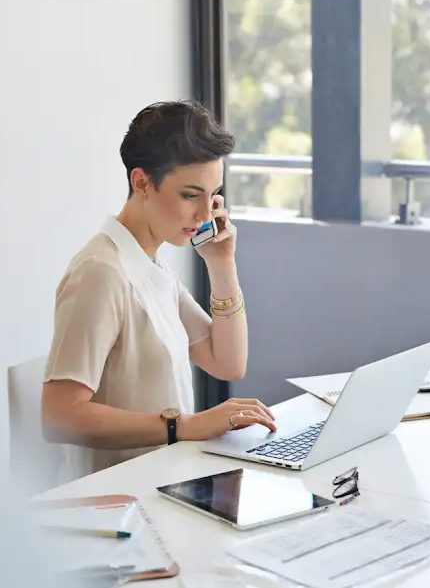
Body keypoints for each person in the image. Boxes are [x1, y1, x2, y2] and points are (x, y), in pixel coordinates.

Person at [42, 100, 276, 483]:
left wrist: (221, 264)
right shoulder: (100, 273)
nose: (205, 215)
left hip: (167, 482)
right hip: (119, 502)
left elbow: (227, 362)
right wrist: (182, 426)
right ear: (142, 183)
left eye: (212, 195)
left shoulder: (152, 266)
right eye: (189, 195)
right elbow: (58, 417)